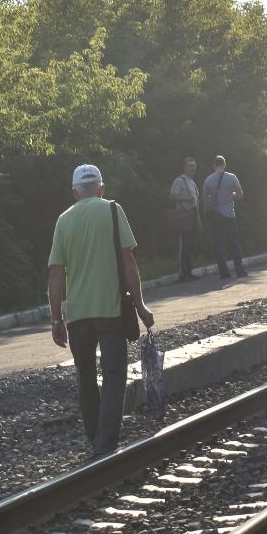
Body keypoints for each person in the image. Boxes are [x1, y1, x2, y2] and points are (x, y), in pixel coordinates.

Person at [47, 164, 154, 457]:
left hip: (78, 315)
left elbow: (56, 275)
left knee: (85, 377)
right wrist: (142, 305)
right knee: (115, 374)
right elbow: (129, 262)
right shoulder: (112, 210)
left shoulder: (63, 220)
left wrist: (56, 318)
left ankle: (96, 439)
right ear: (102, 188)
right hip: (110, 310)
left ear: (74, 192)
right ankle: (105, 444)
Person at [202, 155, 247, 279]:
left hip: (216, 216)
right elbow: (240, 195)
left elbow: (205, 199)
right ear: (224, 164)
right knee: (234, 243)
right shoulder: (232, 177)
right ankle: (239, 270)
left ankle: (224, 272)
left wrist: (206, 211)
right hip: (229, 215)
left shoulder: (208, 180)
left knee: (219, 244)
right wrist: (230, 195)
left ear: (214, 165)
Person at [169, 157, 200, 282]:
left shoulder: (192, 182)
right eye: (190, 166)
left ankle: (189, 272)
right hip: (183, 217)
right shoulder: (180, 180)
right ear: (184, 167)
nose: (193, 168)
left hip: (192, 215)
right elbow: (172, 196)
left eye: (194, 166)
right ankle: (182, 274)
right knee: (184, 246)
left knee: (189, 245)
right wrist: (187, 199)